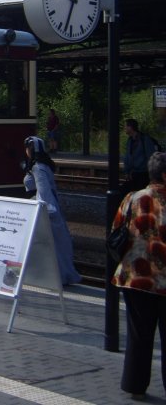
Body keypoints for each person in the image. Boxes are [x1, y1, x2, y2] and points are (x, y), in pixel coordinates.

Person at [111, 152, 166, 401]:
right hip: (162, 280)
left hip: (134, 277)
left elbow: (117, 229)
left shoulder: (132, 198)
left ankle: (135, 385)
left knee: (138, 335)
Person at [22, 136, 81, 285]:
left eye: (27, 148)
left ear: (31, 150)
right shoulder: (44, 165)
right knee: (57, 244)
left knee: (46, 244)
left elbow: (44, 192)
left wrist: (46, 212)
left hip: (44, 209)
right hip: (50, 205)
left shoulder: (37, 168)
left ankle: (49, 276)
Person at [123, 119, 159, 194]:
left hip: (143, 174)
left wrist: (152, 174)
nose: (124, 128)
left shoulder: (144, 139)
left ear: (130, 127)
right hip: (133, 174)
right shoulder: (130, 140)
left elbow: (151, 156)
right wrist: (127, 172)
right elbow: (127, 157)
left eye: (125, 126)